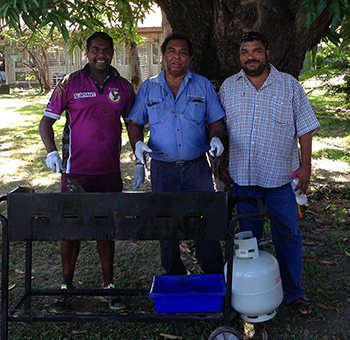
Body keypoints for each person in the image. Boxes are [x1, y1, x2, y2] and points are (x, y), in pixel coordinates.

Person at [219, 31, 320, 316]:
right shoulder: (228, 87)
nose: (250, 56)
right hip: (243, 178)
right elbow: (221, 131)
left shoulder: (289, 85)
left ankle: (293, 293)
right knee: (247, 241)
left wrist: (306, 165)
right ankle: (249, 294)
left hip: (280, 178)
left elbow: (306, 127)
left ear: (267, 53)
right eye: (245, 52)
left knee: (288, 236)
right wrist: (222, 166)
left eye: (256, 51)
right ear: (240, 56)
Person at [39, 32, 135, 310]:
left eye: (106, 50)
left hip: (109, 172)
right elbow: (46, 123)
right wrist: (52, 152)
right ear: (87, 51)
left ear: (112, 53)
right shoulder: (69, 83)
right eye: (95, 50)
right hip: (75, 173)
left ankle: (109, 286)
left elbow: (133, 123)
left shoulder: (123, 86)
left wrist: (139, 154)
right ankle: (67, 287)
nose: (100, 55)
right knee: (71, 229)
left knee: (107, 227)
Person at [128, 33, 225, 275]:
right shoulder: (149, 88)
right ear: (163, 56)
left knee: (204, 222)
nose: (177, 56)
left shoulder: (202, 85)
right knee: (165, 225)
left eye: (183, 52)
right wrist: (137, 145)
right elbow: (135, 123)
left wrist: (215, 137)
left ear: (189, 57)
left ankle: (213, 276)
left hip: (197, 169)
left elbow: (216, 120)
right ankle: (174, 277)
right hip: (163, 170)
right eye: (171, 51)